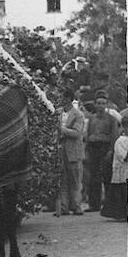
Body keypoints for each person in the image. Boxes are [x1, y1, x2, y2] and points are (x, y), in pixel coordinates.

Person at [84, 90, 120, 212]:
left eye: (103, 103)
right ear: (95, 104)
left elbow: (114, 136)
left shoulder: (111, 119)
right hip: (93, 149)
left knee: (107, 176)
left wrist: (110, 152)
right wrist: (88, 150)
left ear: (106, 104)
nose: (100, 106)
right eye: (98, 103)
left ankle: (109, 205)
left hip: (105, 149)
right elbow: (88, 134)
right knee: (93, 177)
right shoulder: (91, 118)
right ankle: (94, 204)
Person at [57, 88, 86, 216]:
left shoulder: (78, 114)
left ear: (69, 99)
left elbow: (77, 133)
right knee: (62, 179)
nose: (61, 99)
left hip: (73, 150)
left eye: (63, 97)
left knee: (75, 179)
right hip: (60, 149)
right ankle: (64, 207)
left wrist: (62, 130)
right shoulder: (57, 113)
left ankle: (77, 206)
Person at [102, 115, 128, 222]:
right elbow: (124, 157)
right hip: (123, 171)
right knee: (122, 191)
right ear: (124, 127)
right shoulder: (121, 141)